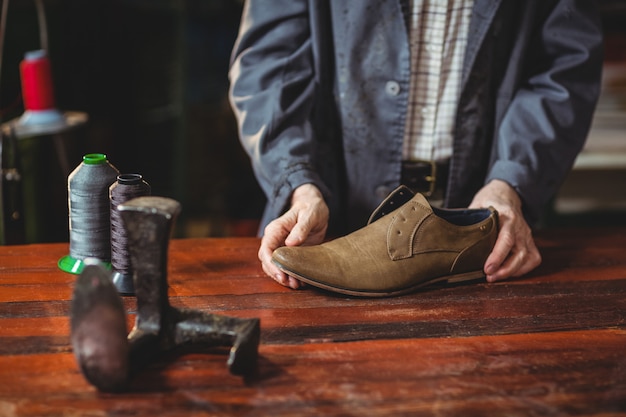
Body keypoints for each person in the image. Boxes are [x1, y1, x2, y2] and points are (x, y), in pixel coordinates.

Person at [228, 0, 604, 290]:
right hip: (330, 212)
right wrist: (298, 183)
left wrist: (512, 180)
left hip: (484, 219)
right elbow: (269, 63)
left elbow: (565, 67)